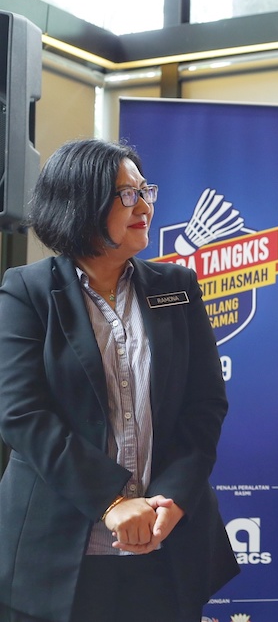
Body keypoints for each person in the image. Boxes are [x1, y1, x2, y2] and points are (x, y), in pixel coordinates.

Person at [0, 139, 238, 622]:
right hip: (57, 552)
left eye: (144, 190)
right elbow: (21, 414)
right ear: (79, 202)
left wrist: (171, 499)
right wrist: (109, 502)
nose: (144, 205)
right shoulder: (27, 291)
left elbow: (205, 404)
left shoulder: (176, 286)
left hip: (164, 543)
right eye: (125, 194)